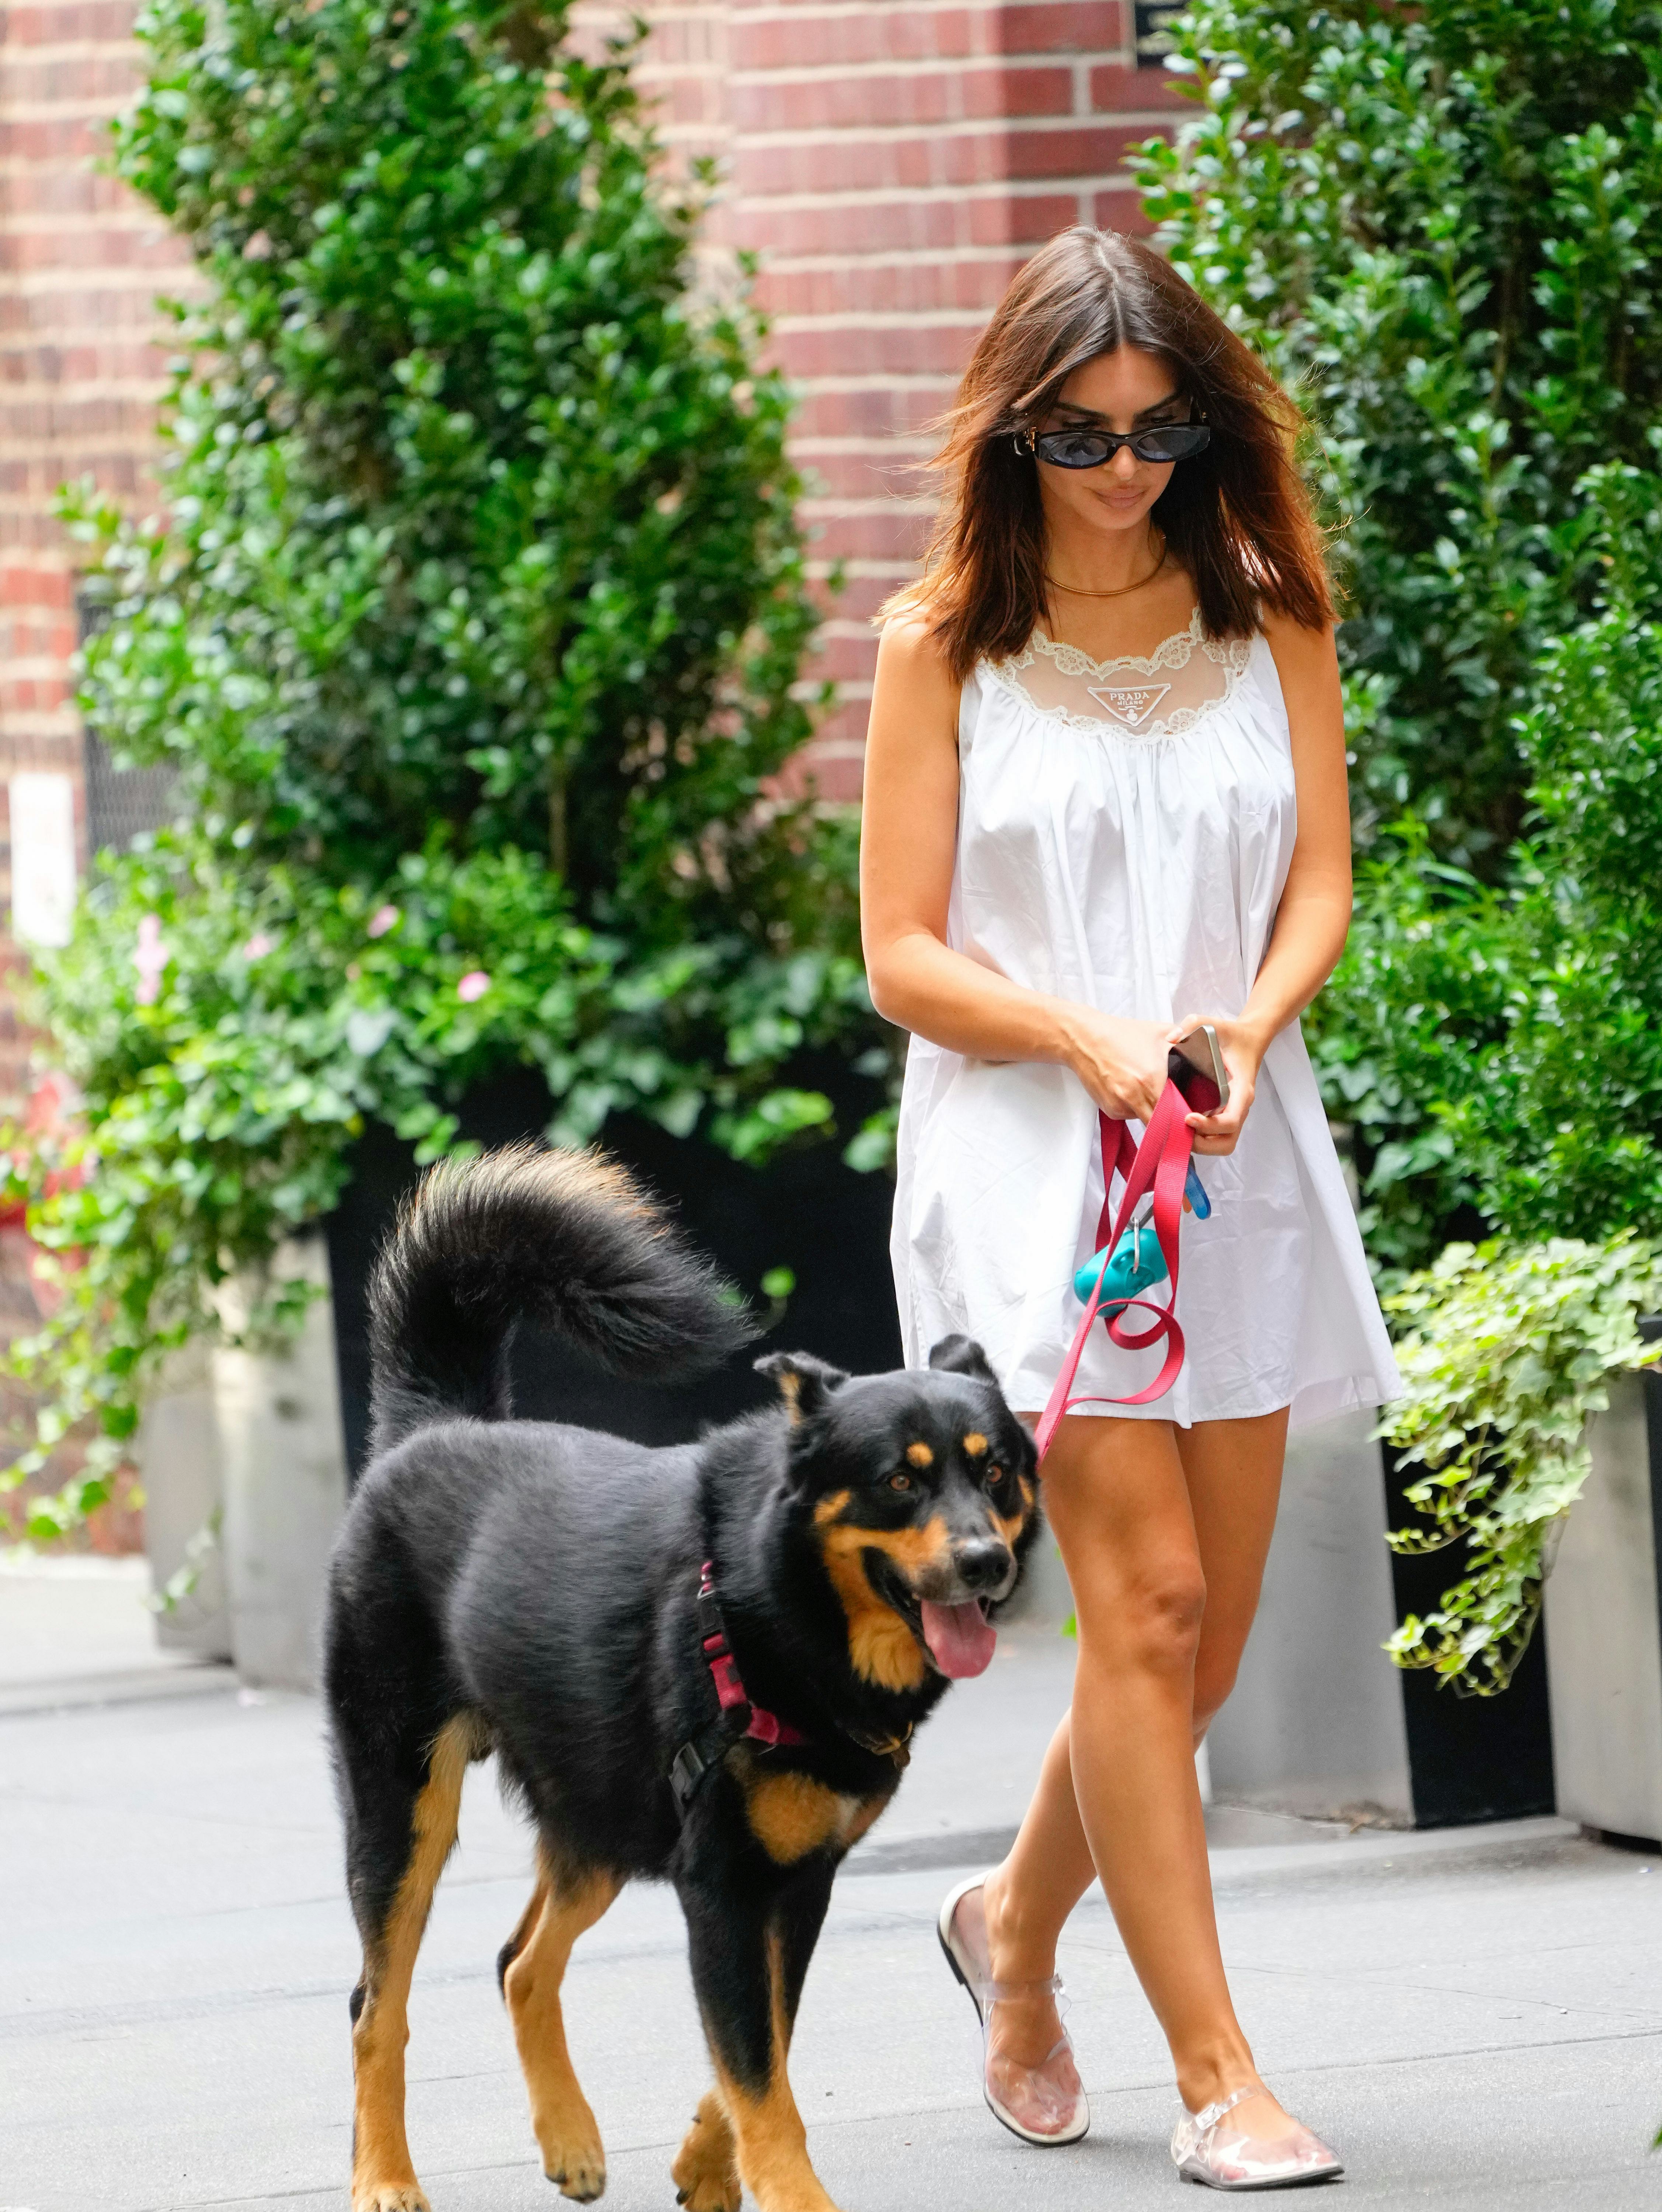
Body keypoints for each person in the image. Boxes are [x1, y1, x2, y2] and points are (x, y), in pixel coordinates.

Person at [859, 226, 1400, 2190]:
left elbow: (1322, 881)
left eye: (1160, 426)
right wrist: (1083, 1040)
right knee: (1147, 1608)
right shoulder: (944, 643)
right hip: (1032, 1170)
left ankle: (1010, 1927)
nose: (1123, 466)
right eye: (1080, 433)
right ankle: (1218, 2075)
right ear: (1014, 430)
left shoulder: (1271, 612)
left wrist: (1242, 1026)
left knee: (1205, 1643)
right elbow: (902, 957)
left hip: (1230, 1146)